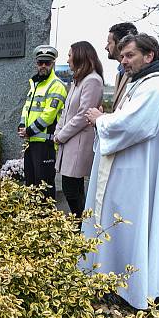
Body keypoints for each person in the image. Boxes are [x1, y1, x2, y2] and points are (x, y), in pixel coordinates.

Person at [82, 33, 159, 310]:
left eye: (130, 56)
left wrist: (101, 119)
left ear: (149, 56)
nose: (123, 61)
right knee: (126, 226)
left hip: (139, 173)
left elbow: (134, 125)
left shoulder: (158, 86)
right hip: (132, 167)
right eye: (122, 55)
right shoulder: (143, 83)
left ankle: (130, 285)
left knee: (132, 225)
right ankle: (118, 279)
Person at [53, 41, 104, 220]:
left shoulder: (92, 80)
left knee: (72, 191)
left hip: (78, 144)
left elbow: (84, 114)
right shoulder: (78, 81)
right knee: (73, 190)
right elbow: (66, 111)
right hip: (70, 142)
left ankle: (82, 230)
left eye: (69, 55)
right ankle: (81, 230)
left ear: (80, 56)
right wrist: (58, 132)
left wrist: (61, 135)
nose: (67, 60)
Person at [18, 45, 68, 200]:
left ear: (53, 63)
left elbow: (49, 115)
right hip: (31, 142)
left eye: (47, 62)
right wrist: (21, 126)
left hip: (46, 144)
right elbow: (26, 108)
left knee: (44, 185)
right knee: (30, 183)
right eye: (41, 62)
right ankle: (32, 220)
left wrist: (29, 130)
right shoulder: (35, 85)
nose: (43, 66)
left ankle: (46, 220)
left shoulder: (56, 85)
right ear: (36, 63)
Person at [105, 22, 138, 110]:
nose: (106, 47)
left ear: (120, 43)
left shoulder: (137, 73)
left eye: (109, 43)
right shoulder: (120, 74)